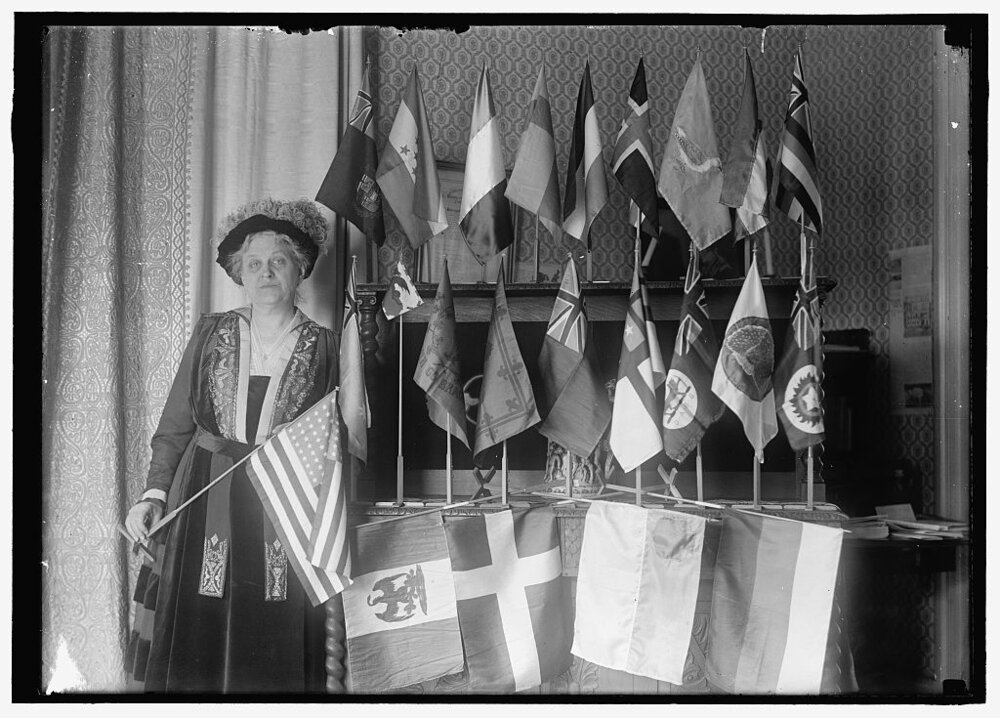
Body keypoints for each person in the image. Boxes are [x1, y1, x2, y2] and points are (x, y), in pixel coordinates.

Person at [123, 197, 339, 693]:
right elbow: (175, 424)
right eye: (255, 263)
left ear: (300, 271)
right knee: (200, 615)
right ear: (239, 273)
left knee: (274, 622)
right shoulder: (211, 332)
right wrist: (153, 494)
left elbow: (340, 436)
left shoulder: (327, 346)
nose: (266, 273)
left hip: (283, 505)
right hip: (205, 497)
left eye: (278, 262)